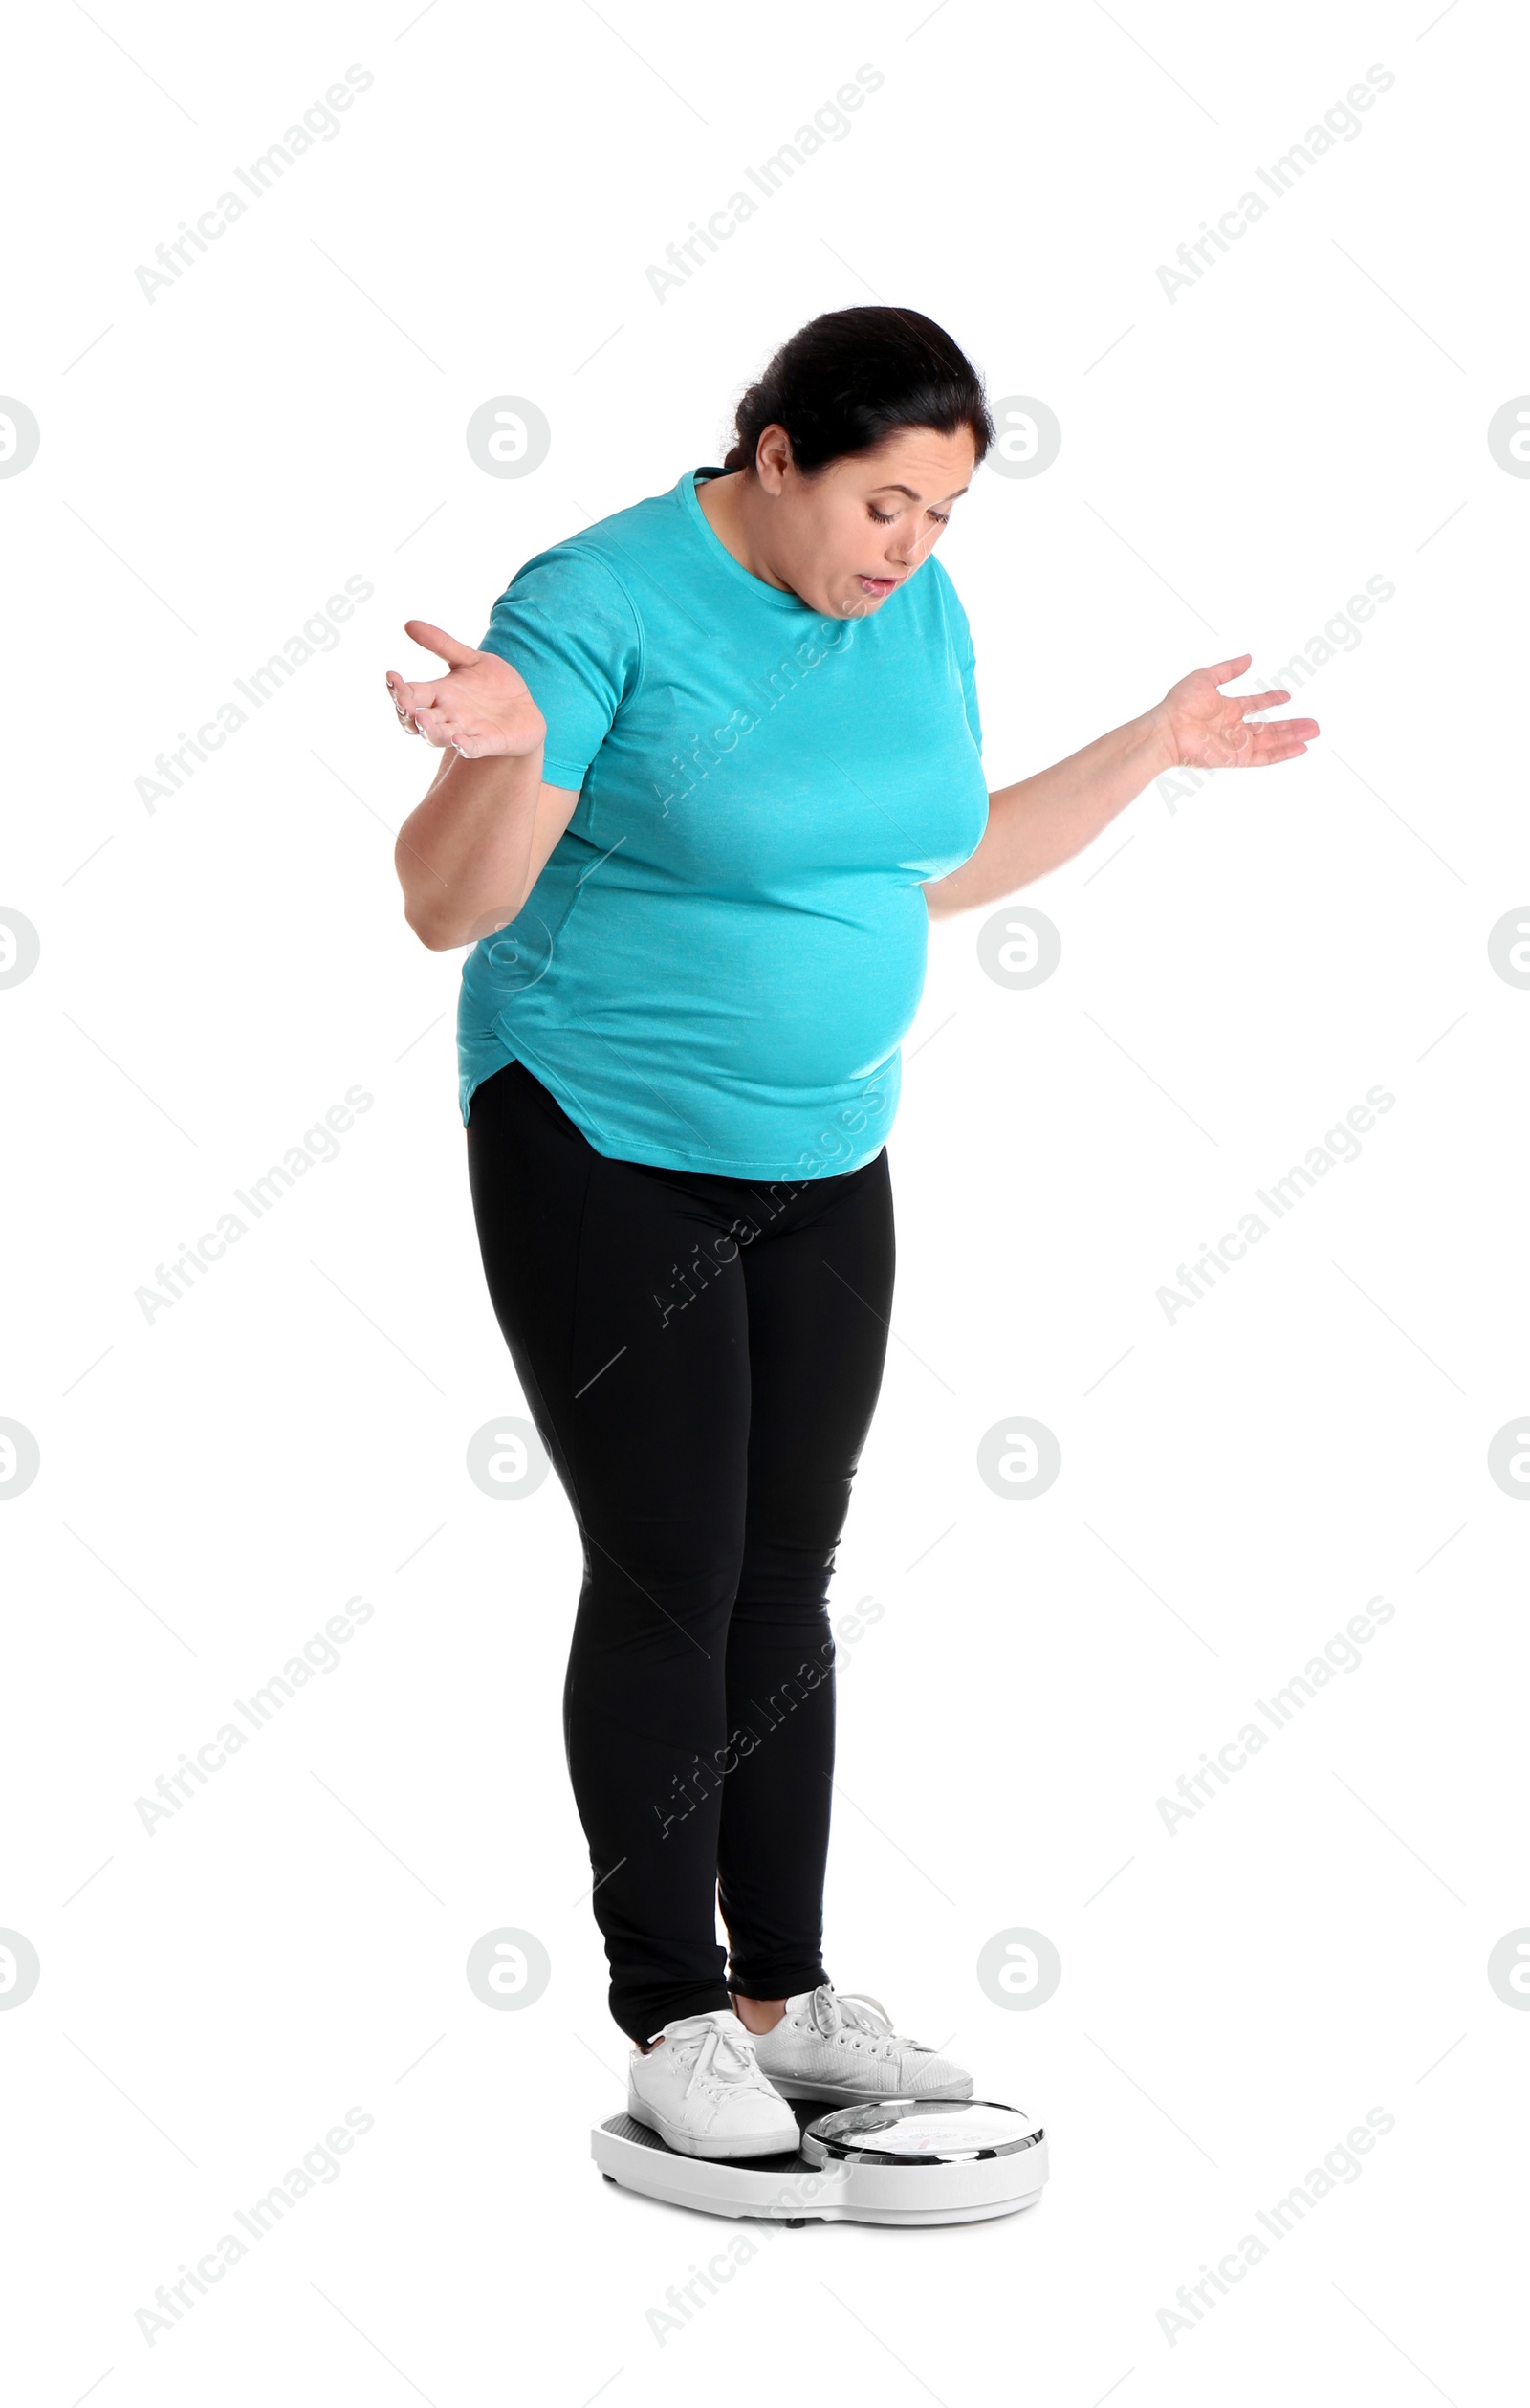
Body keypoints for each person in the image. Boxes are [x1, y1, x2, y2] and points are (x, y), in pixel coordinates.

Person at [387, 306, 1318, 2162]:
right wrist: (499, 745)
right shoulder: (598, 596)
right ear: (773, 453)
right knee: (669, 1559)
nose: (905, 547)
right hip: (597, 1132)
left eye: (944, 514)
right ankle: (665, 2009)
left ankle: (782, 1994)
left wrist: (1143, 746)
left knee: (782, 1571)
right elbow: (443, 906)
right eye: (883, 500)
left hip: (823, 1145)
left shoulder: (912, 617)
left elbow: (930, 853)